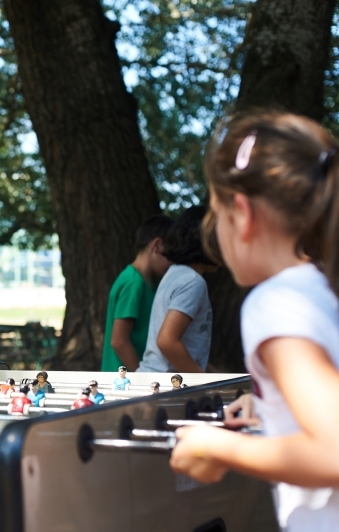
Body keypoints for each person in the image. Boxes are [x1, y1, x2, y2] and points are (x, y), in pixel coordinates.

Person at [169, 112, 339, 531]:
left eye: (215, 216)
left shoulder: (276, 302)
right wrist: (270, 408)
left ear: (241, 213)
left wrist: (219, 448)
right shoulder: (323, 287)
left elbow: (333, 450)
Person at [137, 206, 217, 373]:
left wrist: (213, 375)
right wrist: (201, 380)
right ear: (204, 241)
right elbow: (167, 341)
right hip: (167, 389)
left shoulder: (176, 274)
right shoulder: (193, 282)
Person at [101, 215, 173, 372]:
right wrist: (142, 377)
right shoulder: (133, 283)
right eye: (171, 254)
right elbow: (119, 341)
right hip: (125, 383)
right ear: (157, 245)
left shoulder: (146, 282)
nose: (173, 262)